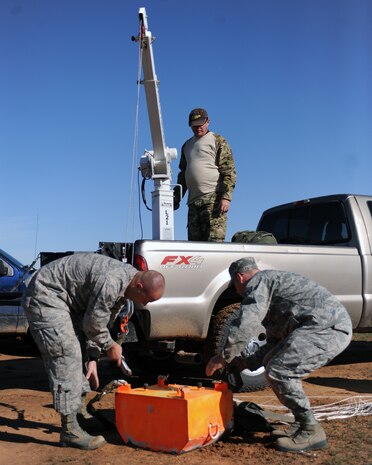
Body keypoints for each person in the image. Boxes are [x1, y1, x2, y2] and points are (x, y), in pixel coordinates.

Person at [206, 257, 352, 452]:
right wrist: (245, 362)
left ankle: (311, 430)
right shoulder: (272, 287)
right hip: (322, 325)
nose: (237, 292)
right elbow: (275, 342)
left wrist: (223, 357)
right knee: (271, 362)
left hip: (327, 328)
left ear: (240, 278)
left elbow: (246, 322)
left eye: (235, 286)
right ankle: (302, 425)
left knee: (280, 371)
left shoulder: (259, 282)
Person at [22, 253, 165, 450]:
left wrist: (92, 358)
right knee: (67, 354)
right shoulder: (112, 282)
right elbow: (92, 324)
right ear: (139, 286)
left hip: (67, 303)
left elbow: (101, 322)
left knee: (78, 348)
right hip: (45, 296)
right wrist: (110, 345)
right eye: (147, 299)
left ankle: (78, 415)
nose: (146, 304)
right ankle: (70, 431)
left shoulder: (127, 287)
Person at [174, 108, 236, 242]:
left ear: (208, 121)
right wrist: (176, 197)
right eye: (194, 126)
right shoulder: (186, 145)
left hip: (213, 200)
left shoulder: (218, 140)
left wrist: (226, 198)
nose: (198, 128)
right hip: (193, 203)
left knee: (214, 244)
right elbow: (183, 174)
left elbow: (229, 171)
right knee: (195, 247)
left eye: (200, 124)